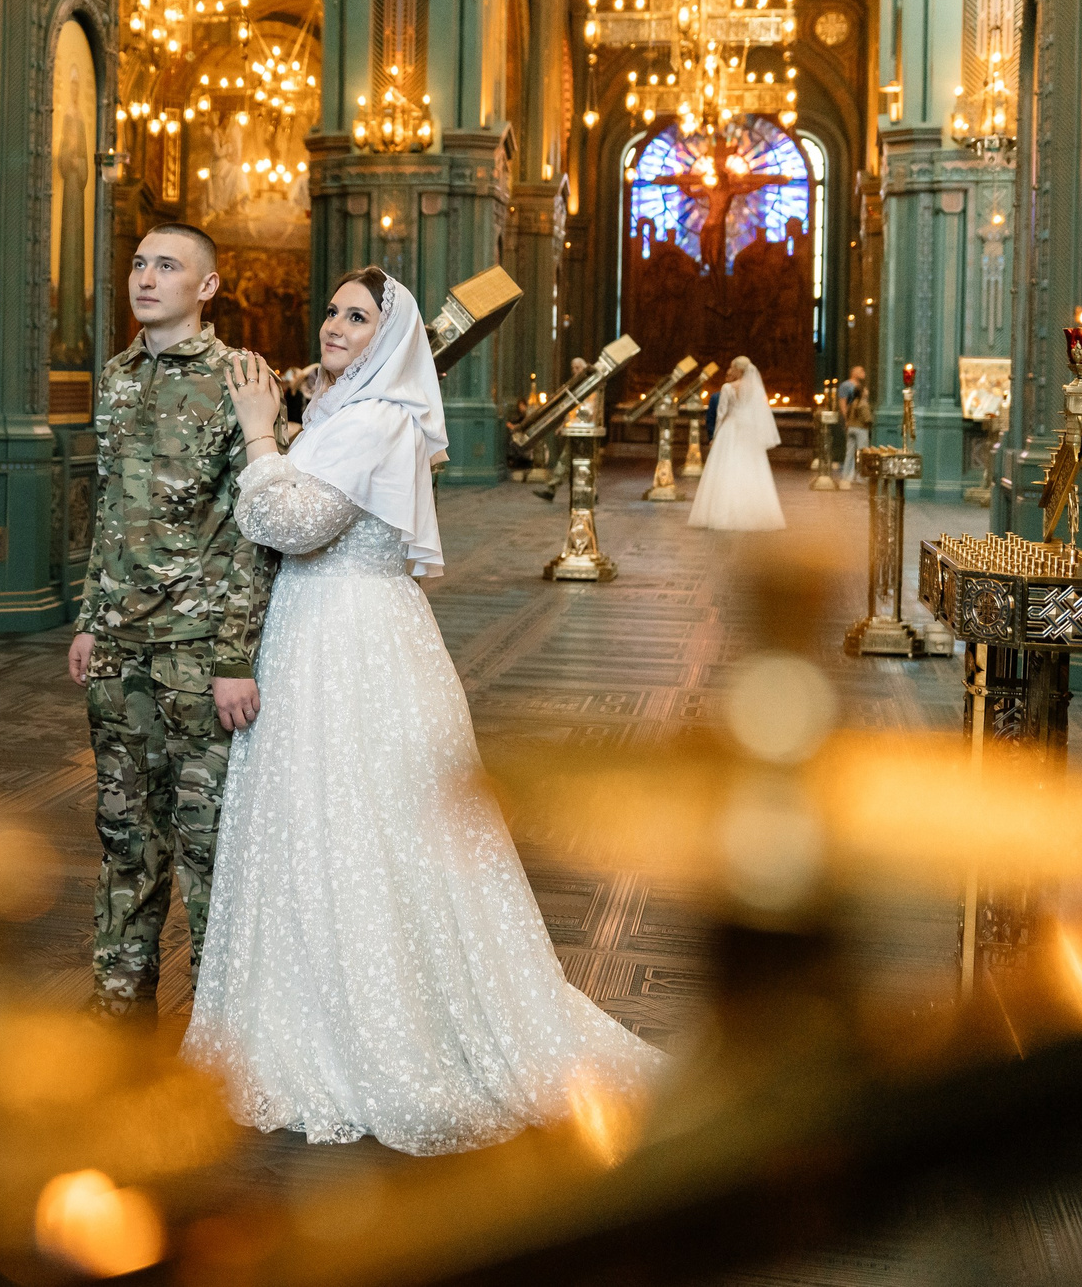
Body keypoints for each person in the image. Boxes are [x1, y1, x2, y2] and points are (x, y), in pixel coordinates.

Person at [186, 267, 664, 1155]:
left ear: (391, 339)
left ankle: (375, 1026)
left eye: (357, 318)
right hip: (326, 629)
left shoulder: (373, 421)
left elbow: (292, 524)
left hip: (347, 637)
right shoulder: (349, 416)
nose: (334, 325)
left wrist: (261, 437)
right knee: (324, 822)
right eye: (329, 310)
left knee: (356, 822)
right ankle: (316, 1007)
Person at [68, 223, 274, 1023]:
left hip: (197, 654)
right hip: (118, 646)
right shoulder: (117, 378)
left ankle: (225, 1025)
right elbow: (110, 514)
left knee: (208, 847)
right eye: (138, 263)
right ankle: (117, 1005)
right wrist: (91, 617)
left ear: (208, 287)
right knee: (123, 835)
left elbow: (257, 528)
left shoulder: (239, 379)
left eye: (167, 266)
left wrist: (234, 657)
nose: (145, 278)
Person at [688, 356, 787, 531]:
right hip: (749, 431)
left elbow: (721, 413)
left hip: (731, 429)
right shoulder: (756, 388)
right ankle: (755, 513)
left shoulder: (728, 388)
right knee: (751, 468)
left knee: (727, 467)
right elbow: (759, 413)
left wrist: (715, 435)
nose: (730, 370)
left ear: (738, 370)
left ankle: (724, 513)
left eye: (732, 367)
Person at [840, 363, 872, 476]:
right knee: (861, 452)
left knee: (850, 451)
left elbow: (847, 408)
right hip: (859, 426)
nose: (864, 373)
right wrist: (846, 420)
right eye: (861, 371)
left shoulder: (854, 401)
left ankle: (847, 475)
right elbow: (843, 403)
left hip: (852, 424)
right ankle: (858, 475)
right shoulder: (846, 386)